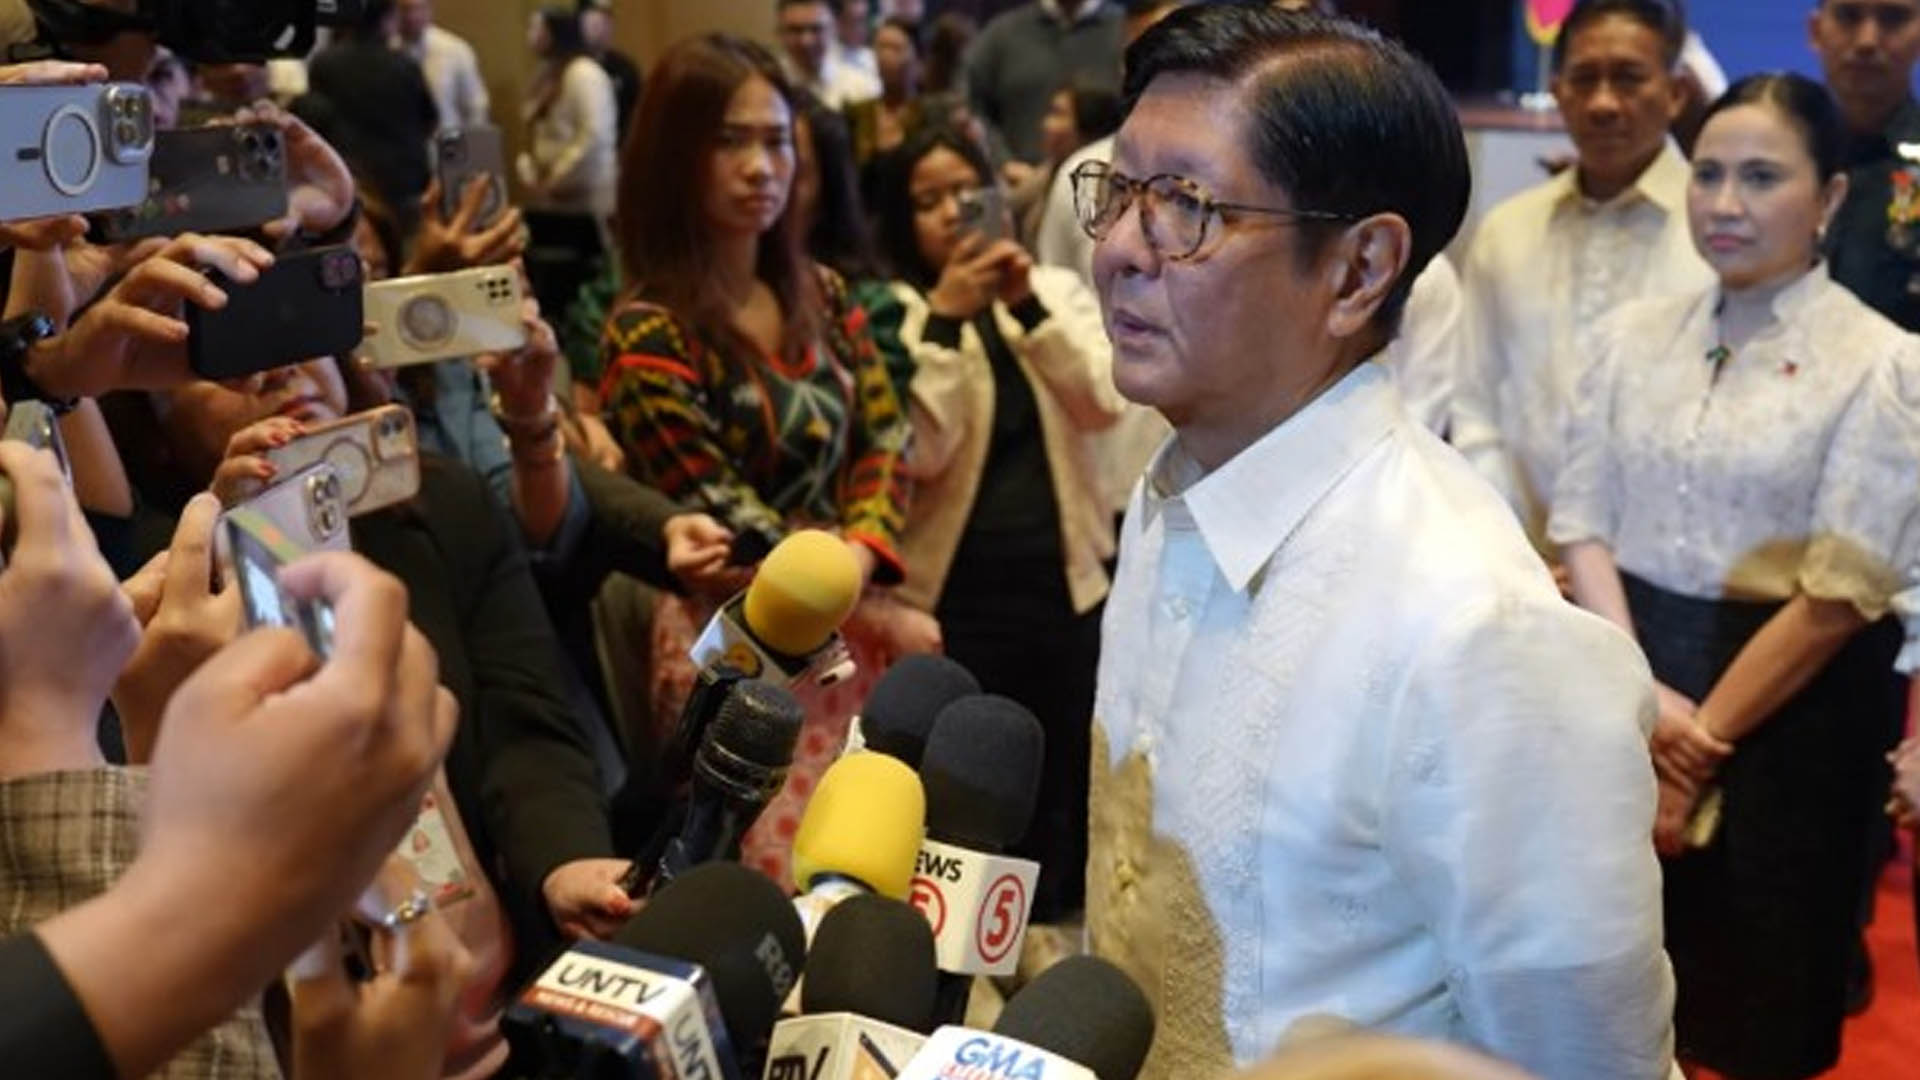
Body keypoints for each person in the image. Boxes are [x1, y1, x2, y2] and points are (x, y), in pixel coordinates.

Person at [1079, 7, 1671, 1078]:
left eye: (1186, 207)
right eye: (1118, 193)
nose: (1120, 248)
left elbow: (1585, 1058)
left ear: (1358, 271)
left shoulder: (1479, 628)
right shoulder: (1172, 494)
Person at [1552, 73, 1917, 1080]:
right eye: (1708, 174)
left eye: (1761, 177)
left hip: (1794, 710)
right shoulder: (1629, 337)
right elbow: (1582, 523)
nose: (1723, 202)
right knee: (1616, 1000)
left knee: (1761, 1008)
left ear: (1829, 196)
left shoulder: (1881, 362)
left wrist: (1699, 740)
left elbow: (1839, 593)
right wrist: (1644, 698)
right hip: (1629, 678)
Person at [599, 33, 931, 889]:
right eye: (729, 141)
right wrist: (858, 599)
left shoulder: (822, 291)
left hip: (853, 611)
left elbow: (885, 438)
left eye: (777, 140)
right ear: (675, 158)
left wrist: (854, 567)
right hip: (742, 637)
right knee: (761, 888)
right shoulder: (648, 331)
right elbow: (721, 507)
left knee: (867, 874)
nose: (761, 167)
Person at [877, 125, 1122, 923]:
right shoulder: (899, 314)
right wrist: (947, 320)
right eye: (928, 201)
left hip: (1066, 583)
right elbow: (921, 450)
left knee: (1063, 773)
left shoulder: (1053, 290)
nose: (954, 212)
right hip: (955, 599)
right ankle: (959, 944)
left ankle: (1051, 933)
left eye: (966, 191)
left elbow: (1102, 401)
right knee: (966, 792)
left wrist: (1024, 304)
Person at [1452, 0, 1712, 550]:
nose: (1603, 103)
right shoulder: (1507, 230)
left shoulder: (1719, 234)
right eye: (1584, 79)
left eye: (1629, 78)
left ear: (1676, 93)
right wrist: (1510, 549)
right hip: (1519, 556)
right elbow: (1475, 410)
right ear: (1558, 90)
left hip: (1673, 565)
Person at [1814, 0, 1920, 330]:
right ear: (1815, 31)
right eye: (1848, 16)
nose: (1867, 41)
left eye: (1893, 18)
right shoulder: (1775, 160)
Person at [519, 7, 619, 325]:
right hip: (552, 202)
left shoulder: (584, 73)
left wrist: (558, 178)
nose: (531, 36)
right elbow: (536, 133)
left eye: (538, 28)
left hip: (585, 198)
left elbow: (594, 136)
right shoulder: (547, 73)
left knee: (585, 282)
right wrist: (532, 173)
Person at [304, 0, 441, 226]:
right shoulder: (404, 64)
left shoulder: (324, 64)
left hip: (353, 181)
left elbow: (316, 119)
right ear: (387, 19)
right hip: (404, 180)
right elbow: (430, 120)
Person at [965, 0, 1123, 165]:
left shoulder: (1125, 30)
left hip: (1109, 170)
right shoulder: (1001, 34)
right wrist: (1002, 162)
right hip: (1017, 173)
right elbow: (970, 106)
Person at [395, 0, 491, 131]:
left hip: (446, 138)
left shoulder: (455, 50)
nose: (412, 16)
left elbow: (475, 106)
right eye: (404, 9)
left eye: (418, 8)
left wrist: (471, 142)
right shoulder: (384, 52)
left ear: (430, 9)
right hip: (397, 140)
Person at [778, 0, 880, 110]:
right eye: (795, 30)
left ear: (834, 29)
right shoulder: (770, 84)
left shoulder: (861, 88)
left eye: (816, 29)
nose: (806, 41)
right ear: (780, 32)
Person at [579, 0, 642, 140]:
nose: (602, 30)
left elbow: (637, 116)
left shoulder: (625, 69)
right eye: (594, 24)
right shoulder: (569, 71)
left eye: (607, 22)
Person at [834, 0, 879, 83]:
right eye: (855, 21)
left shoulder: (872, 57)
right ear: (839, 23)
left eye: (864, 21)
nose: (861, 28)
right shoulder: (827, 59)